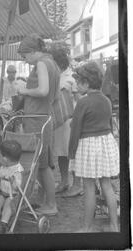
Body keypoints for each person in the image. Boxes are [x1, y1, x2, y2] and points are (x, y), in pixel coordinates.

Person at [69, 61, 119, 232]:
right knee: (106, 184)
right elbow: (110, 125)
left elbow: (75, 130)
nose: (76, 84)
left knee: (89, 186)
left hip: (88, 144)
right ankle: (114, 225)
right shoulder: (106, 100)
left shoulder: (83, 102)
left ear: (86, 83)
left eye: (79, 81)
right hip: (106, 142)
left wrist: (71, 153)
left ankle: (87, 227)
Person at [17, 33, 60, 216]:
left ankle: (51, 205)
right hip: (42, 116)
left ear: (34, 51)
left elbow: (43, 90)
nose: (25, 61)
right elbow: (53, 95)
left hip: (37, 119)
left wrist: (24, 90)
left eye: (25, 56)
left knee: (41, 164)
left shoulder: (42, 63)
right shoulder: (52, 63)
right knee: (43, 163)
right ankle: (46, 202)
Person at [50, 48, 83, 196]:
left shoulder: (71, 78)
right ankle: (64, 181)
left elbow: (78, 101)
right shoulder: (54, 76)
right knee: (61, 152)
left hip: (71, 120)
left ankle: (77, 184)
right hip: (58, 120)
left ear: (60, 62)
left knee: (73, 152)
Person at [0, 140, 24, 234]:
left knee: (8, 206)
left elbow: (17, 187)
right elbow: (0, 173)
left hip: (13, 195)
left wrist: (13, 182)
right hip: (2, 192)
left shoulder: (17, 170)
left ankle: (3, 224)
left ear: (5, 159)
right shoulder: (4, 166)